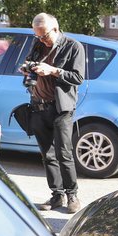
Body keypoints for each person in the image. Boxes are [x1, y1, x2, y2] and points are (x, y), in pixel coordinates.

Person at [23, 12, 85, 213]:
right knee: (47, 155)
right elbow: (30, 62)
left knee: (63, 153)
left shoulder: (73, 46)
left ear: (55, 29)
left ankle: (72, 195)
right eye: (37, 36)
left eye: (44, 35)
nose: (41, 40)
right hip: (38, 106)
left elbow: (78, 77)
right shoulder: (39, 45)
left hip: (60, 108)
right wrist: (27, 69)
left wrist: (53, 70)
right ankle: (56, 195)